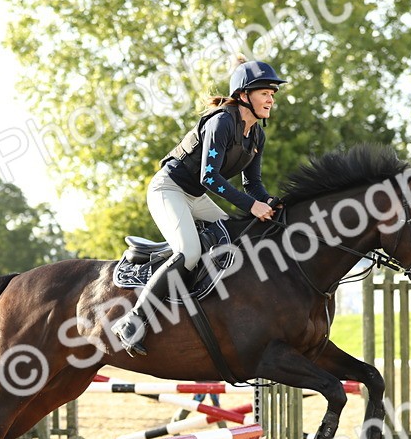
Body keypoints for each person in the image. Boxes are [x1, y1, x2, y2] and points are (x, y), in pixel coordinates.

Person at [113, 59, 285, 356]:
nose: (271, 98)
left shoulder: (257, 134)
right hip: (169, 189)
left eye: (272, 93)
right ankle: (133, 320)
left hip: (196, 196)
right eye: (264, 92)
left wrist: (269, 203)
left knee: (236, 240)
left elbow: (252, 184)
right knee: (189, 252)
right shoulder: (222, 122)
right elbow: (208, 176)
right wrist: (252, 206)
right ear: (244, 96)